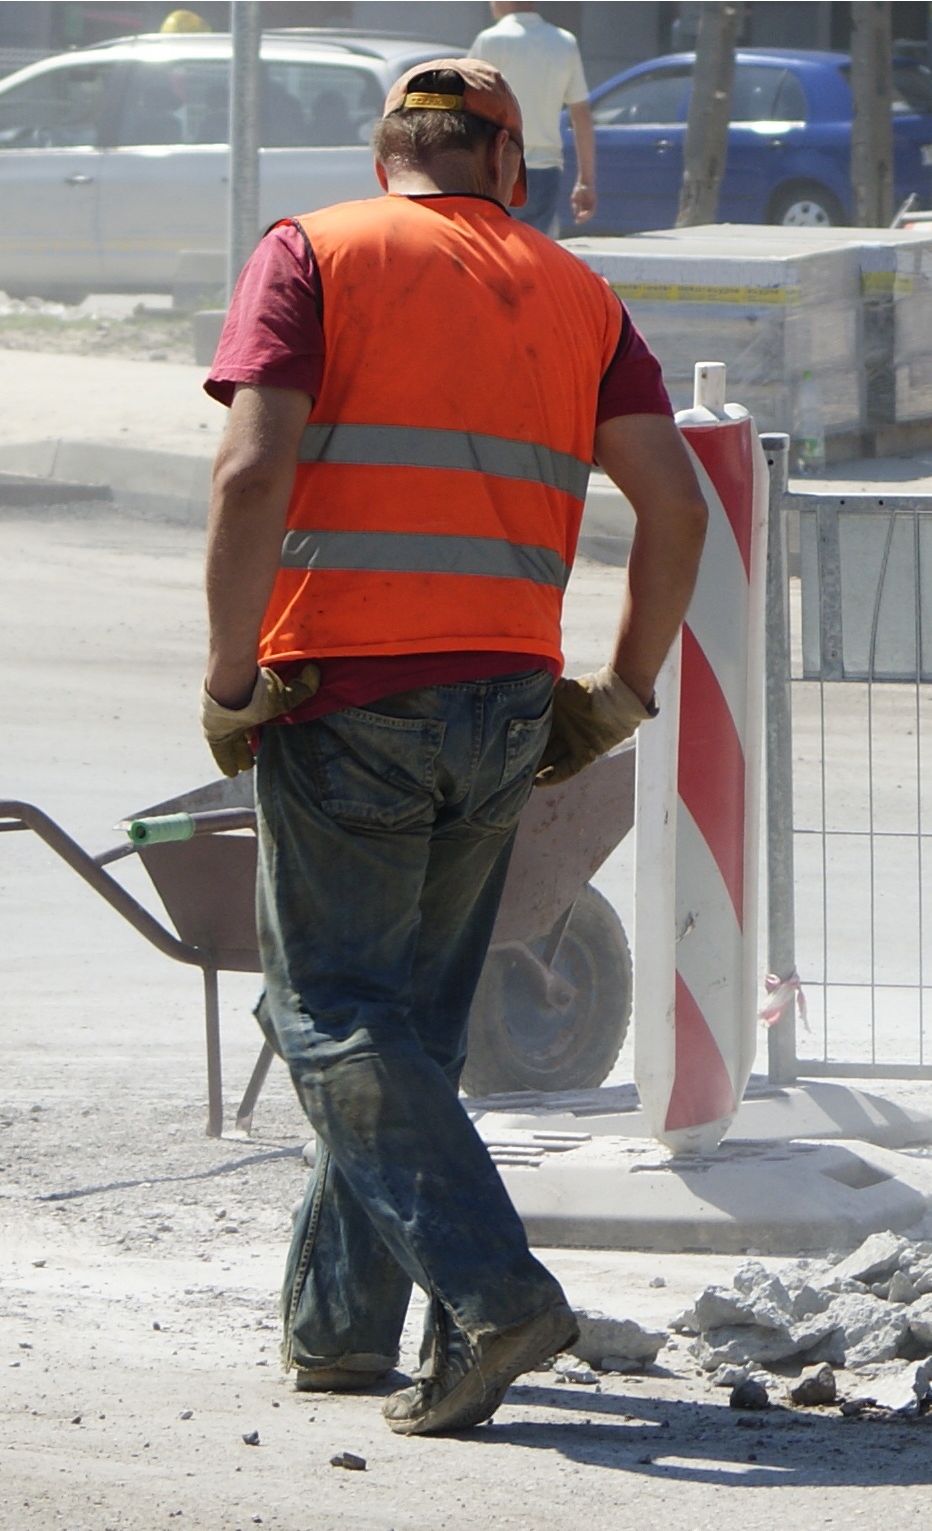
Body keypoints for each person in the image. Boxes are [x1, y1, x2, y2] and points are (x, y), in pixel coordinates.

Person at [198, 58, 707, 1436]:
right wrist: (622, 691)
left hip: (348, 696)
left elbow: (252, 473)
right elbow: (677, 504)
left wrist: (232, 677)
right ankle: (342, 1339)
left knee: (325, 1014)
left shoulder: (314, 251)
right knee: (405, 1027)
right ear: (508, 170)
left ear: (389, 157)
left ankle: (495, 1296)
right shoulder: (578, 291)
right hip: (506, 703)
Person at [470, 2, 595, 233]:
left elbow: (467, 107)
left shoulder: (490, 41)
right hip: (546, 170)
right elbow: (581, 114)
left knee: (497, 253)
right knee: (535, 256)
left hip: (499, 167)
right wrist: (585, 181)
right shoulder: (564, 42)